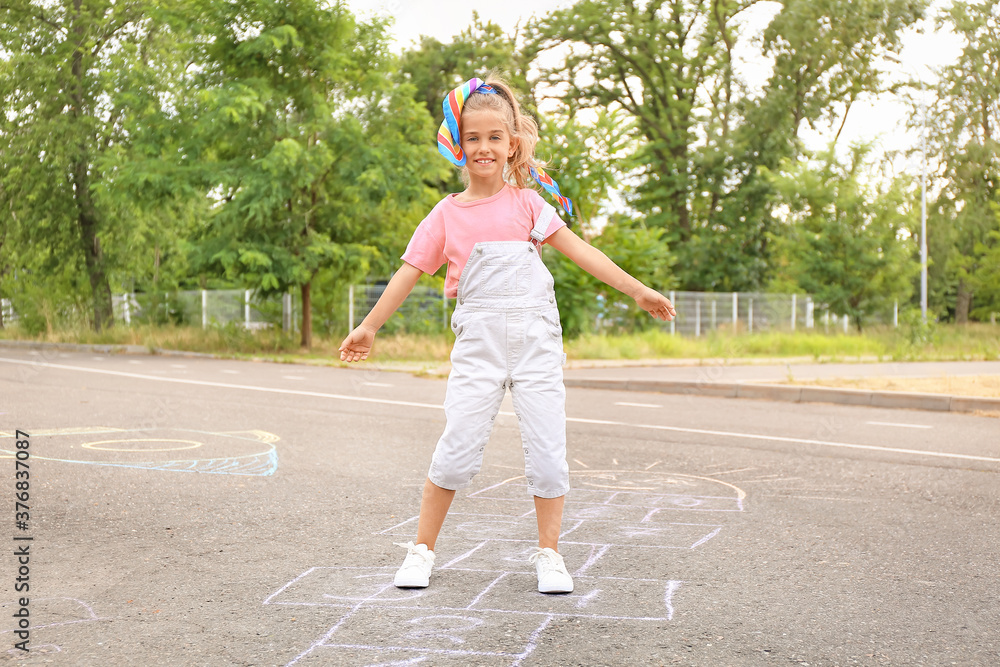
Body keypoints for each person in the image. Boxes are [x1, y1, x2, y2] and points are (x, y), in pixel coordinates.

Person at [339, 74, 675, 594]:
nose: (484, 148)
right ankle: (422, 551)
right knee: (456, 448)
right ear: (458, 145)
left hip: (537, 343)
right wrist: (367, 326)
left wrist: (638, 291)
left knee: (547, 449)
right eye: (473, 138)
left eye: (495, 137)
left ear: (511, 143)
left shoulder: (528, 206)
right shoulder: (445, 214)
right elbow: (407, 272)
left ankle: (550, 555)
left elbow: (582, 251)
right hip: (480, 346)